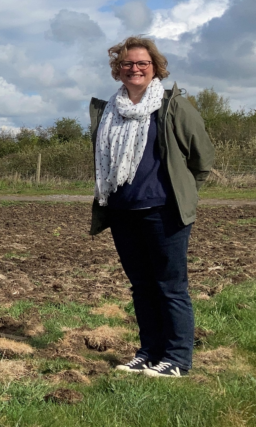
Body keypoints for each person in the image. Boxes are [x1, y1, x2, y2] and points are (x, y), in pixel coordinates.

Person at [91, 36, 214, 378]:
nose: (135, 69)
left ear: (155, 68)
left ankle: (177, 358)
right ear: (118, 70)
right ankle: (148, 352)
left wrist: (184, 193)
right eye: (128, 63)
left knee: (170, 286)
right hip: (122, 212)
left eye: (142, 63)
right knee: (141, 286)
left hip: (164, 211)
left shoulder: (173, 106)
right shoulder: (108, 111)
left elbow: (201, 158)